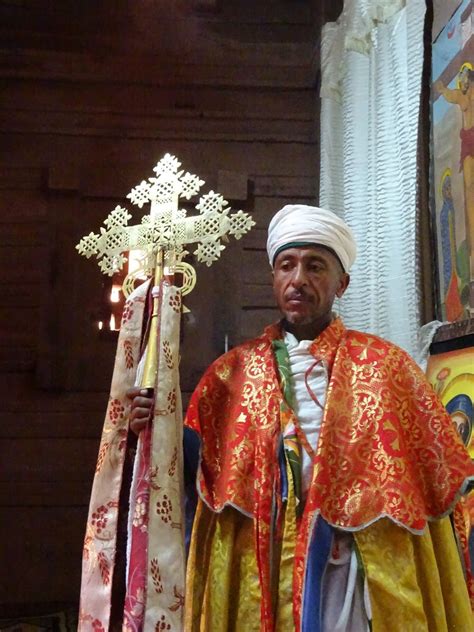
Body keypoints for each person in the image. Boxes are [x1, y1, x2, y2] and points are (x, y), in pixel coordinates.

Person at [128, 204, 474, 631]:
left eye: (315, 267)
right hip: (265, 565)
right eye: (286, 266)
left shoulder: (387, 366)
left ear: (341, 282)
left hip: (354, 567)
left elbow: (442, 477)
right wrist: (153, 430)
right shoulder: (230, 374)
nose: (298, 280)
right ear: (273, 278)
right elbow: (194, 473)